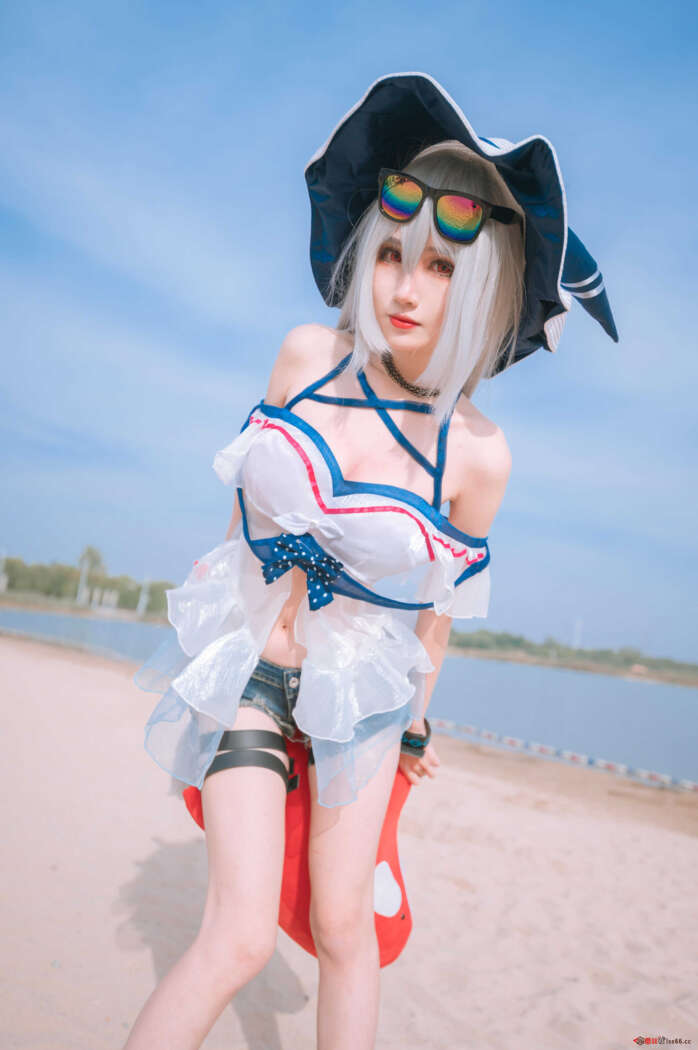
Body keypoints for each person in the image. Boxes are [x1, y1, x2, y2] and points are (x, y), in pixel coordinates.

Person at [123, 72, 617, 1050]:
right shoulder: (306, 357)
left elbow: (437, 612)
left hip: (361, 701)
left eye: (439, 267)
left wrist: (419, 724)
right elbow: (242, 499)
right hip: (250, 669)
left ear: (480, 287)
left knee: (344, 930)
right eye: (392, 254)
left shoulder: (476, 453)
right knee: (235, 938)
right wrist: (220, 606)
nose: (404, 287)